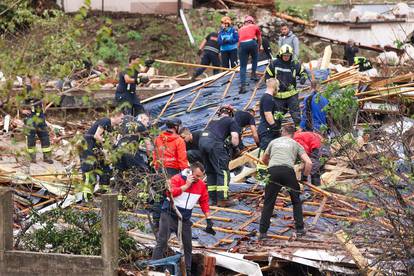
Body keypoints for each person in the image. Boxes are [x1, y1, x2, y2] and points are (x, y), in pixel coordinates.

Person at [152, 162, 215, 276]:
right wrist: (186, 186)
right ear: (190, 172)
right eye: (196, 176)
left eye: (201, 176)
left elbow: (204, 201)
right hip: (169, 215)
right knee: (162, 242)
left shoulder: (201, 185)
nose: (199, 178)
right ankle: (155, 268)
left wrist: (208, 218)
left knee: (187, 245)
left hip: (184, 219)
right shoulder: (177, 179)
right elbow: (170, 192)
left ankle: (187, 271)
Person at [259, 125, 312, 239]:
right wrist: (304, 178)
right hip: (288, 172)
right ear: (293, 134)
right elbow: (309, 163)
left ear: (282, 132)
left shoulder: (273, 142)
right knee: (296, 201)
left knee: (269, 202)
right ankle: (299, 229)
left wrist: (272, 168)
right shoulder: (295, 144)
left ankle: (262, 233)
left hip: (272, 171)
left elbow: (263, 160)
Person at [199, 105, 239, 206]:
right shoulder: (231, 121)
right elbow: (234, 138)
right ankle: (223, 199)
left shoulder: (212, 122)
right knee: (223, 171)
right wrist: (235, 147)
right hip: (215, 144)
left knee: (211, 171)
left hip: (202, 142)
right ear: (230, 114)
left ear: (219, 113)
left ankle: (212, 199)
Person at [79, 111, 124, 198]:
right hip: (87, 147)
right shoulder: (105, 121)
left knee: (106, 170)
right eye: (121, 118)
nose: (122, 121)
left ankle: (104, 195)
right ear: (115, 116)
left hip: (96, 150)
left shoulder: (111, 127)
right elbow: (97, 136)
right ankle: (86, 200)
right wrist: (106, 144)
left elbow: (112, 141)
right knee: (90, 173)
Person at [265, 44, 308, 126]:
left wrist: (303, 77)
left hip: (292, 95)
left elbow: (304, 72)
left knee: (296, 116)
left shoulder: (295, 64)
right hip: (278, 96)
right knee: (277, 117)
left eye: (288, 55)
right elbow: (268, 75)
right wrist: (271, 86)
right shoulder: (274, 64)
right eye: (285, 55)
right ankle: (277, 132)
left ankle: (299, 132)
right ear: (281, 54)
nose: (286, 57)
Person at [21, 76, 53, 164]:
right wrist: (22, 110)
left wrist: (44, 109)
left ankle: (47, 157)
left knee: (45, 136)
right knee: (31, 137)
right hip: (31, 116)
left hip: (40, 116)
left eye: (39, 80)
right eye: (36, 80)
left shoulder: (40, 89)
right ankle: (32, 157)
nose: (38, 82)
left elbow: (44, 100)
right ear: (32, 81)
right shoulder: (27, 89)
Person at [238, 15, 262, 94]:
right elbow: (259, 38)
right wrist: (258, 47)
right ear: (252, 22)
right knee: (255, 58)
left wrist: (240, 52)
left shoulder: (240, 29)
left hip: (242, 45)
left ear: (245, 23)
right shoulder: (255, 26)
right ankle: (253, 74)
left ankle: (243, 86)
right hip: (252, 43)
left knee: (243, 66)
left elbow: (239, 43)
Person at [258, 78, 281, 151]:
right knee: (266, 151)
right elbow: (268, 114)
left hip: (269, 130)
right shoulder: (268, 98)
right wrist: (274, 126)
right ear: (275, 87)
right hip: (268, 131)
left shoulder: (268, 98)